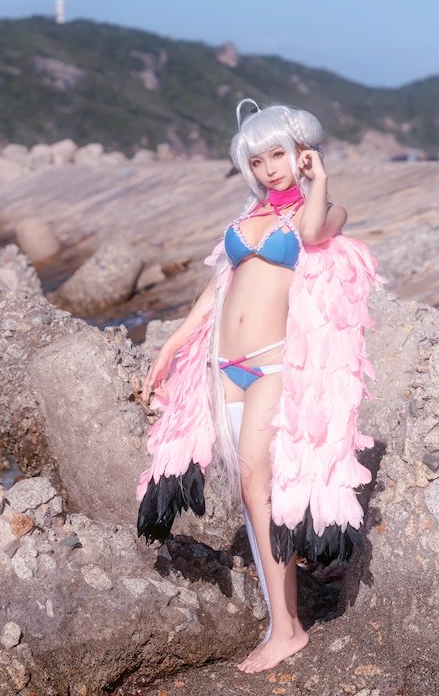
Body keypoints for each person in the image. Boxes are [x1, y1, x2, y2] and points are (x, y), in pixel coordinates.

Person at [136, 100, 379, 673]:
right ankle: (281, 617)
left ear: (302, 153)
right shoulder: (250, 214)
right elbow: (221, 284)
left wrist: (319, 178)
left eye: (279, 155)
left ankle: (286, 630)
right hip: (226, 363)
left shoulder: (326, 211)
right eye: (258, 160)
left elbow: (315, 232)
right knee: (253, 494)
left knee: (254, 479)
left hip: (275, 364)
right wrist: (173, 344)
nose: (270, 169)